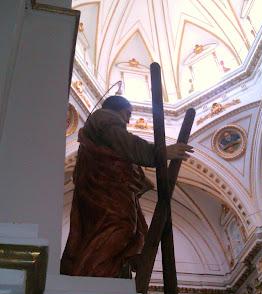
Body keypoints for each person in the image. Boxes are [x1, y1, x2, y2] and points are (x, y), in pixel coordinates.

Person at [60, 96, 193, 278]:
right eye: (128, 113)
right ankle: (95, 273)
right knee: (121, 226)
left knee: (120, 231)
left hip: (105, 188)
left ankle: (107, 272)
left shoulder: (99, 125)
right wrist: (161, 152)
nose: (129, 119)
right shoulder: (104, 118)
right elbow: (126, 144)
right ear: (117, 109)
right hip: (104, 189)